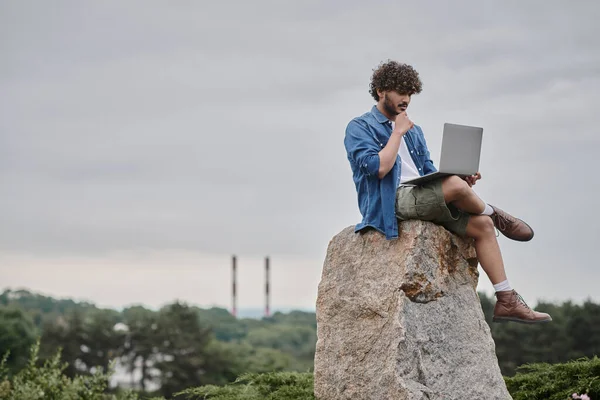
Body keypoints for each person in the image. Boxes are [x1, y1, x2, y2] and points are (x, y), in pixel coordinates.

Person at [344, 60, 551, 324]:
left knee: (483, 225)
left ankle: (507, 299)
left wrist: (462, 179)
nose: (406, 99)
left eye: (410, 93)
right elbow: (379, 169)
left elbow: (427, 170)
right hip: (391, 201)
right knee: (456, 188)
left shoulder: (414, 131)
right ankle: (496, 212)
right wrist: (397, 132)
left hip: (421, 195)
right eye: (400, 92)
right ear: (382, 90)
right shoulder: (360, 127)